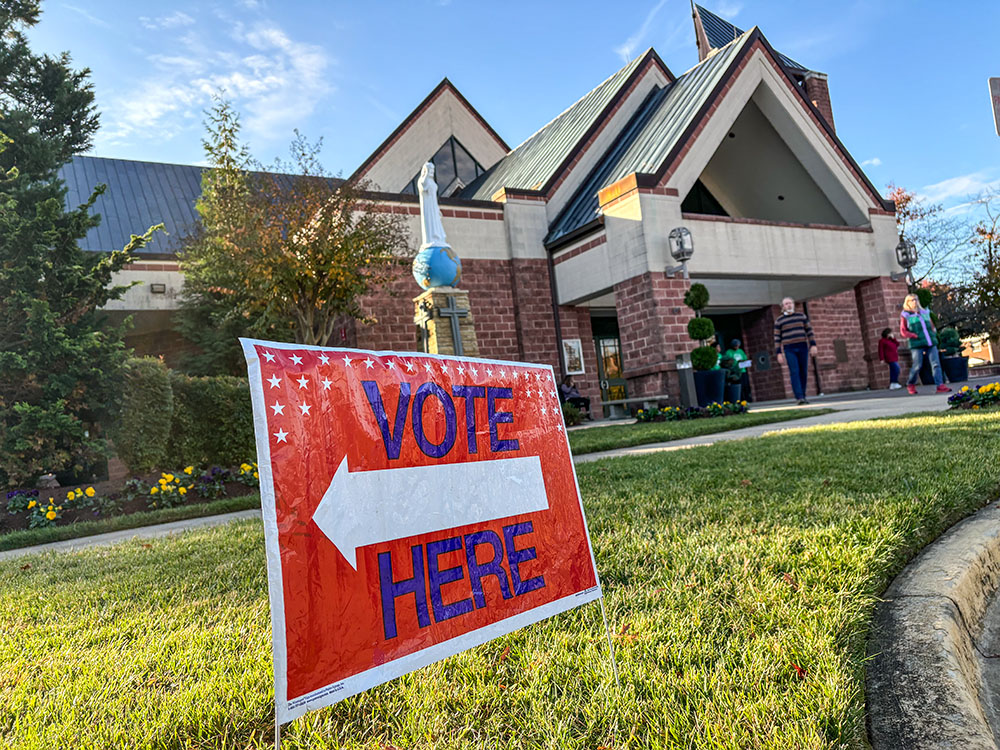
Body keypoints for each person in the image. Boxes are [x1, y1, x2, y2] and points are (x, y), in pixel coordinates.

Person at [899, 293, 951, 395]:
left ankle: (940, 385)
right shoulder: (906, 315)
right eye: (912, 300)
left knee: (936, 364)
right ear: (907, 302)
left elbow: (931, 326)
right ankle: (911, 384)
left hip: (930, 342)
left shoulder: (925, 312)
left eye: (916, 299)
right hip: (917, 344)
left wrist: (933, 332)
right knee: (917, 365)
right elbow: (903, 331)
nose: (915, 302)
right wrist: (914, 335)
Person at [773, 297, 817, 405]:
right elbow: (777, 337)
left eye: (790, 303)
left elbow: (809, 331)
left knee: (803, 371)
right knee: (794, 371)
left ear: (793, 304)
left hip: (802, 346)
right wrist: (779, 353)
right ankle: (799, 396)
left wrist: (813, 345)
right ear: (782, 307)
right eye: (786, 304)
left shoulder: (801, 316)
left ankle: (803, 394)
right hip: (789, 348)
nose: (788, 305)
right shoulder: (779, 321)